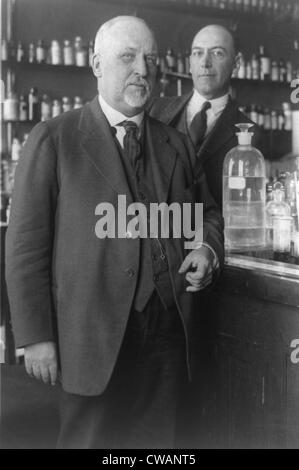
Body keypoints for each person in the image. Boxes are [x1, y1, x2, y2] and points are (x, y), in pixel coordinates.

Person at [5, 16, 224, 449]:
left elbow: (208, 216)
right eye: (128, 57)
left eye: (150, 59)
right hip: (89, 337)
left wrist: (207, 249)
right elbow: (25, 248)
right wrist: (36, 338)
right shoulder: (54, 138)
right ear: (96, 64)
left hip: (166, 333)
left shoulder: (175, 144)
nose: (142, 69)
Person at [149, 24, 266, 209]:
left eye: (217, 53)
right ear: (189, 63)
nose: (205, 62)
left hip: (213, 236)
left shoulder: (252, 135)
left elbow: (245, 208)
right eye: (197, 53)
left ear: (236, 63)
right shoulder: (154, 111)